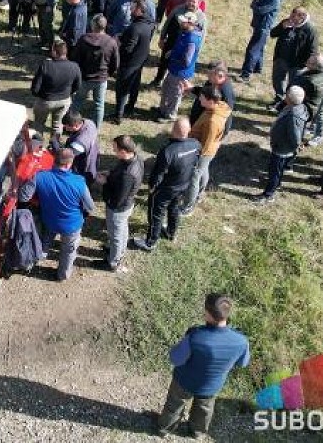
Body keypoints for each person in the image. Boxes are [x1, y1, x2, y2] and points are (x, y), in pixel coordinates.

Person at [157, 294, 250, 438]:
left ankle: (165, 429)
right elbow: (243, 363)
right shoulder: (241, 341)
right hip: (211, 386)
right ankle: (197, 433)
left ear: (209, 314)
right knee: (204, 410)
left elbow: (175, 359)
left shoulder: (195, 336)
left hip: (184, 381)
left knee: (174, 405)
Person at [18, 148, 94, 281]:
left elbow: (23, 197)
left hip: (49, 220)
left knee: (45, 240)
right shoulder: (79, 182)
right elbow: (90, 206)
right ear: (69, 164)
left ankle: (38, 257)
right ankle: (62, 275)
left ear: (54, 160)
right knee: (68, 251)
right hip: (72, 225)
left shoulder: (39, 176)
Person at [134, 117, 200, 252]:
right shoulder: (196, 144)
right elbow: (195, 163)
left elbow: (158, 173)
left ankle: (150, 242)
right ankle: (171, 233)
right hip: (182, 186)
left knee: (156, 215)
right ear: (189, 130)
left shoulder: (168, 151)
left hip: (165, 189)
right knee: (174, 209)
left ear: (173, 130)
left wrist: (152, 187)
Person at [251, 85, 308, 204]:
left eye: (286, 95)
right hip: (280, 146)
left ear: (290, 98)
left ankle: (268, 195)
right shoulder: (295, 107)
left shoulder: (294, 116)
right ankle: (276, 184)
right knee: (277, 171)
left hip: (282, 149)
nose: (285, 96)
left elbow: (295, 136)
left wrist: (296, 146)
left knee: (275, 172)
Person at [181, 86, 231, 215]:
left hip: (204, 151)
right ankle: (199, 194)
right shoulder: (218, 106)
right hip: (208, 149)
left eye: (202, 98)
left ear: (210, 100)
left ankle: (188, 207)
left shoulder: (213, 121)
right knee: (203, 171)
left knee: (194, 176)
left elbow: (207, 143)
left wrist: (197, 156)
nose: (199, 99)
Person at [98, 135, 144, 273]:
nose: (113, 151)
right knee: (122, 229)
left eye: (115, 149)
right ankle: (119, 251)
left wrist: (105, 183)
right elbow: (119, 172)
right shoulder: (135, 158)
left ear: (124, 151)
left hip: (118, 209)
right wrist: (110, 174)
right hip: (127, 205)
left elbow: (117, 200)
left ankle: (113, 262)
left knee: (116, 234)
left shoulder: (128, 175)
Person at [70, 14, 118, 132]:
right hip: (101, 79)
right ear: (104, 26)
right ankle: (95, 129)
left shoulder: (84, 39)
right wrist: (108, 74)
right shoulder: (111, 42)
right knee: (99, 105)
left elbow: (75, 58)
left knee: (78, 101)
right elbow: (115, 63)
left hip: (84, 77)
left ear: (92, 25)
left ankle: (70, 124)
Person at [151, 0, 206, 88]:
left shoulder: (201, 18)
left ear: (199, 3)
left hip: (186, 46)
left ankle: (176, 86)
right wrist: (162, 38)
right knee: (164, 61)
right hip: (172, 41)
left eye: (193, 2)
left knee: (180, 66)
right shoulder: (178, 9)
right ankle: (158, 80)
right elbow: (167, 23)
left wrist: (197, 52)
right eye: (189, 0)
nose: (190, 3)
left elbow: (202, 37)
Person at [113, 0, 155, 123]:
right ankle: (130, 107)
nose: (130, 10)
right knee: (135, 85)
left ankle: (118, 115)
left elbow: (128, 48)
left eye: (133, 8)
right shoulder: (149, 23)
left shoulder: (135, 27)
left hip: (129, 63)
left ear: (139, 10)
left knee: (122, 89)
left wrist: (118, 43)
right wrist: (123, 36)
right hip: (140, 60)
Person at [31, 40, 82, 142]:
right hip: (64, 100)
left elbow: (35, 88)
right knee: (58, 125)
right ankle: (54, 147)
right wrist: (68, 93)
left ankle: (37, 146)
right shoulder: (74, 66)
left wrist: (41, 95)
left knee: (38, 124)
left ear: (54, 51)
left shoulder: (46, 65)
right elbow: (78, 85)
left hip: (45, 100)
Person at [157, 12, 203, 123]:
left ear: (190, 23)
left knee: (175, 94)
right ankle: (163, 109)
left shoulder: (191, 39)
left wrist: (173, 57)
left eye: (183, 21)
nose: (180, 23)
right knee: (166, 89)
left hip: (180, 73)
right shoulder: (185, 32)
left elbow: (186, 61)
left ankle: (170, 115)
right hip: (174, 69)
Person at [270, 6, 319, 108]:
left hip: (297, 64)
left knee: (293, 86)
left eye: (294, 18)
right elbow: (272, 33)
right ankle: (279, 98)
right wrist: (282, 27)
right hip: (281, 59)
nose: (291, 20)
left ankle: (288, 104)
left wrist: (306, 64)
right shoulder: (286, 22)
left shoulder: (310, 30)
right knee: (278, 80)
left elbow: (313, 50)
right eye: (291, 16)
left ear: (302, 18)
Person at [239, 0, 284, 82]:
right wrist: (255, 4)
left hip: (264, 27)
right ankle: (257, 68)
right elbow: (257, 1)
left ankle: (246, 74)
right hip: (259, 24)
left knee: (252, 49)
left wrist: (254, 5)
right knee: (260, 47)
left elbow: (261, 9)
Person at [188, 61, 236, 136]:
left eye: (210, 74)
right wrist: (192, 89)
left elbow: (226, 113)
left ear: (220, 75)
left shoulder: (226, 91)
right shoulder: (211, 81)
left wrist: (222, 133)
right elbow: (205, 92)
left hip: (207, 128)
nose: (207, 76)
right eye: (208, 73)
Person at [56, 111, 99, 186]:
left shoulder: (80, 142)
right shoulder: (89, 122)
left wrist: (56, 146)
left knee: (81, 185)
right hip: (93, 155)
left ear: (75, 126)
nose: (65, 128)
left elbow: (66, 156)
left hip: (84, 168)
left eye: (66, 126)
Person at [288, 54, 323, 125]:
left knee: (294, 126)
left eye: (309, 63)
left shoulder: (308, 80)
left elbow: (292, 90)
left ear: (315, 66)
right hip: (314, 105)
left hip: (303, 108)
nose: (306, 64)